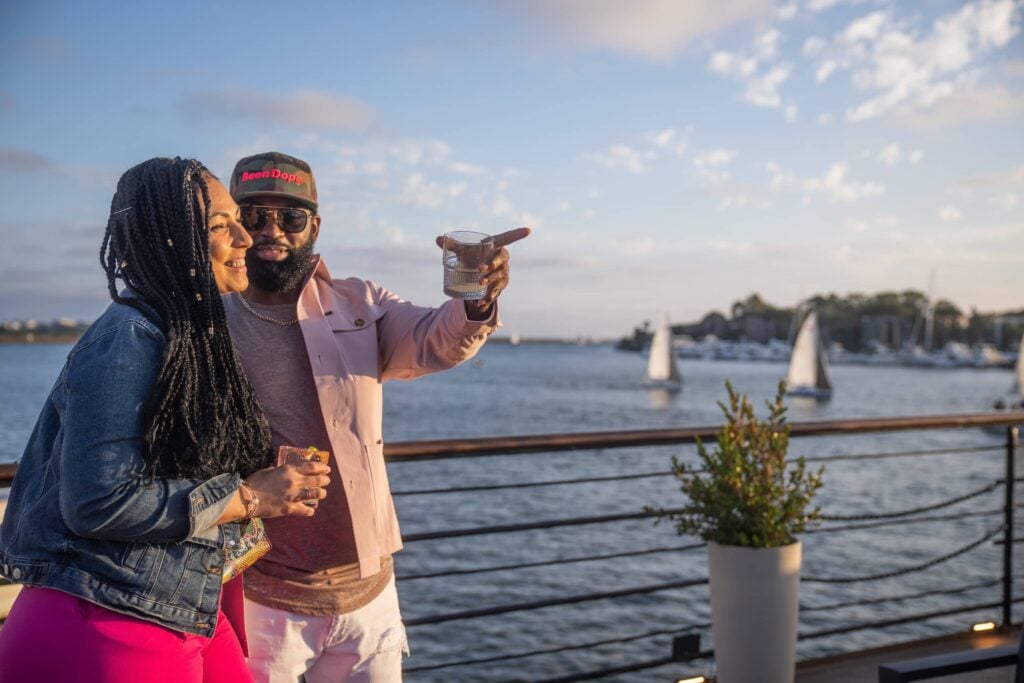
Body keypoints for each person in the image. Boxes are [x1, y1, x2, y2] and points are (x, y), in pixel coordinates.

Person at [0, 157, 332, 682]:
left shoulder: (186, 334)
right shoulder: (130, 337)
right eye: (223, 226)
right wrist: (250, 495)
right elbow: (98, 503)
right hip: (106, 617)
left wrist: (267, 480)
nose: (246, 238)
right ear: (171, 239)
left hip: (179, 601)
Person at [223, 151, 529, 682]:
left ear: (314, 226)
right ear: (234, 223)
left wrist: (477, 296)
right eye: (255, 216)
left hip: (368, 597)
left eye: (290, 217)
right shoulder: (206, 320)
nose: (272, 230)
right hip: (259, 599)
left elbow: (436, 340)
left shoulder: (358, 302)